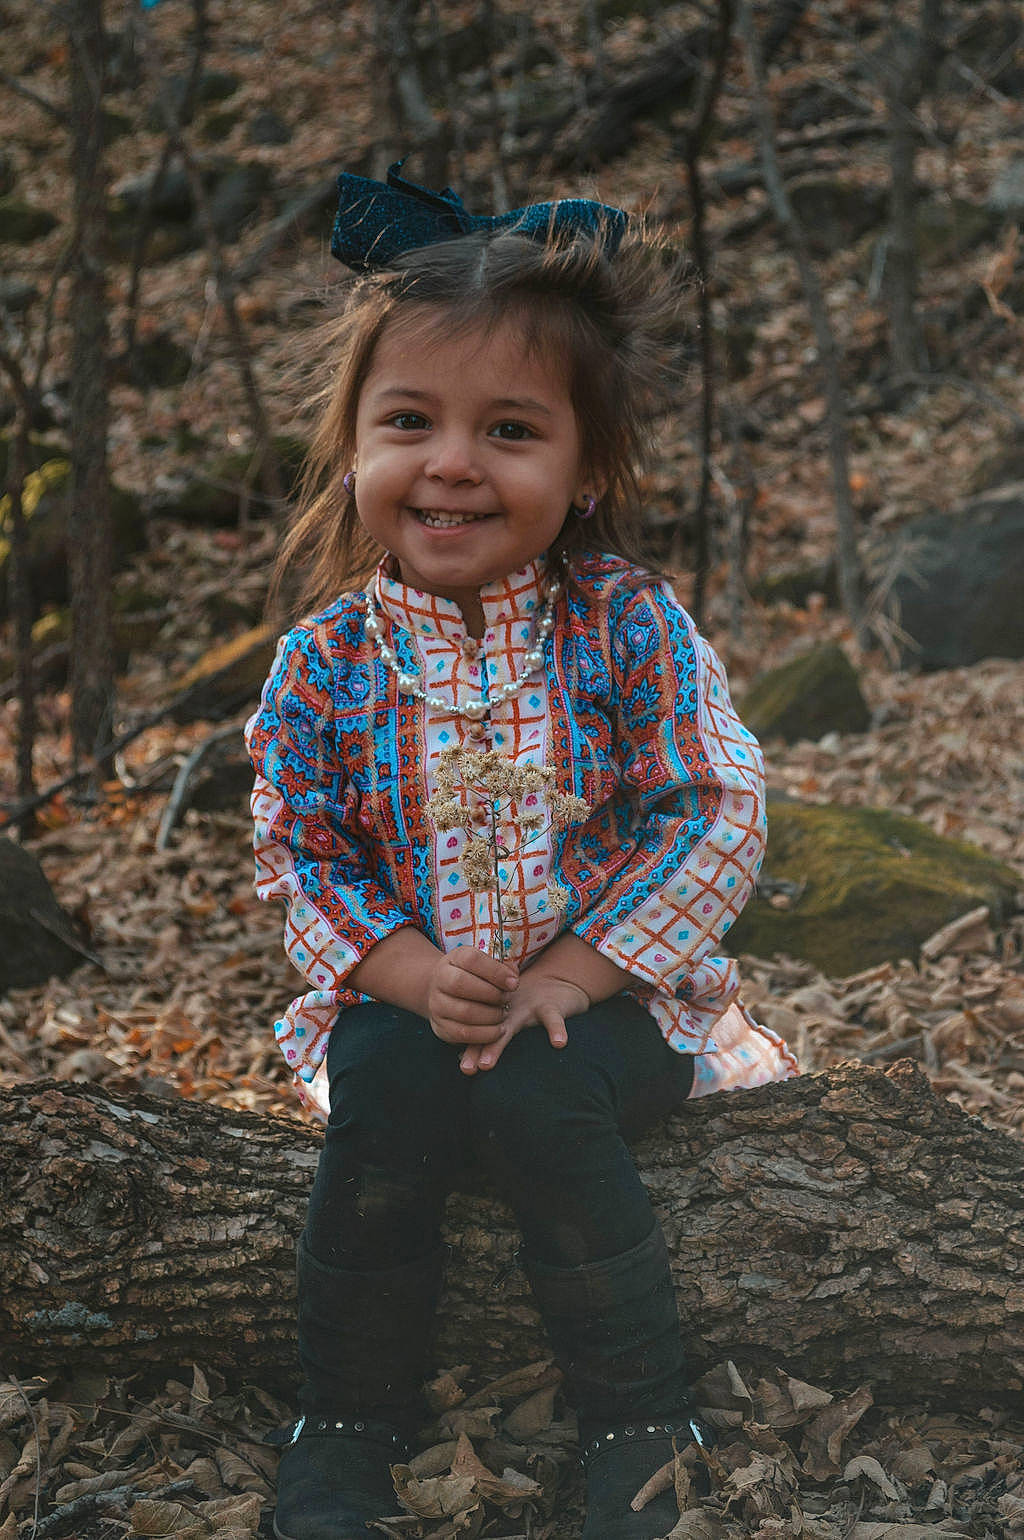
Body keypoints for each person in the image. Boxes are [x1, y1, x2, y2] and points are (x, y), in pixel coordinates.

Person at [246, 164, 798, 1540]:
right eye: (410, 423)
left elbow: (715, 807)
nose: (452, 463)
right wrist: (408, 971)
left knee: (543, 1098)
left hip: (612, 1003)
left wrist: (573, 972)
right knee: (384, 1101)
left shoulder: (625, 629)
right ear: (355, 444)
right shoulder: (325, 663)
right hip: (412, 997)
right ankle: (345, 1417)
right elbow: (299, 850)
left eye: (509, 429)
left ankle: (638, 1415)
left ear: (585, 465)